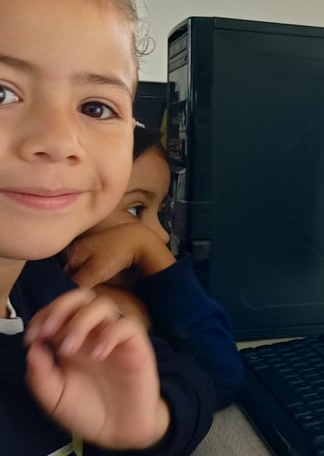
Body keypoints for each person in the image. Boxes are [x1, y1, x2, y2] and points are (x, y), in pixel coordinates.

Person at [0, 0, 212, 455]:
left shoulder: (40, 285)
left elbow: (196, 381)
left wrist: (146, 423)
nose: (60, 141)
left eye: (96, 107)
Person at [63, 127, 244, 409]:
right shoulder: (82, 311)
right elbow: (218, 382)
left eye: (160, 212)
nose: (160, 236)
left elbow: (223, 374)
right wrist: (150, 252)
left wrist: (148, 251)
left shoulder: (140, 289)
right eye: (135, 209)